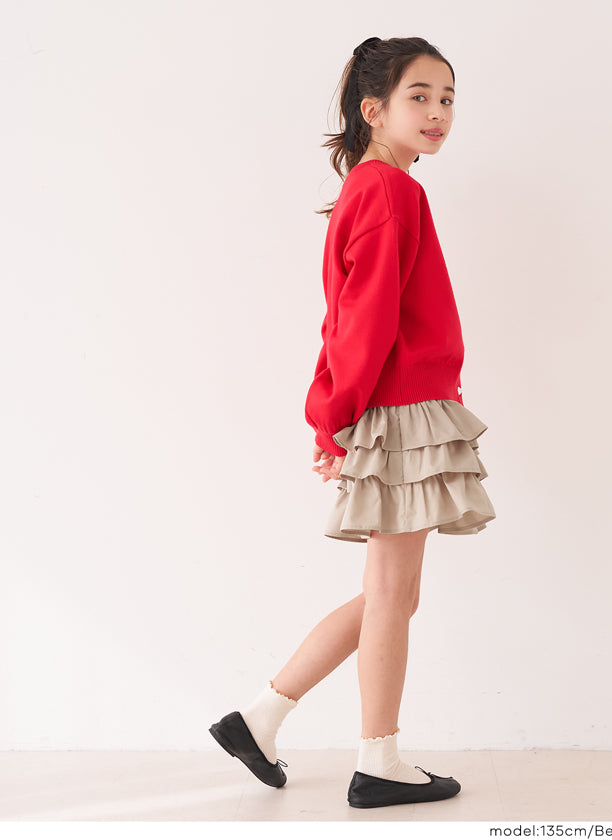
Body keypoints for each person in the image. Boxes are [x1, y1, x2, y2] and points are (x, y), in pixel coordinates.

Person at [209, 35, 496, 810]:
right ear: (374, 109)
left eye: (447, 99)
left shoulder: (376, 189)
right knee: (393, 596)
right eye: (419, 96)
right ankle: (378, 761)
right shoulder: (389, 190)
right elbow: (361, 322)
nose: (438, 113)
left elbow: (343, 319)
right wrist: (334, 418)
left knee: (390, 595)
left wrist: (334, 414)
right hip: (400, 412)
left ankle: (260, 719)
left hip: (395, 408)